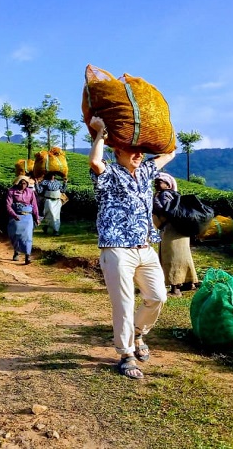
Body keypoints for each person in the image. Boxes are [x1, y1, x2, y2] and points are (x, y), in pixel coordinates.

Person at [88, 116, 176, 379]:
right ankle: (126, 353)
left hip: (145, 246)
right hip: (116, 248)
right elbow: (94, 162)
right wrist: (101, 132)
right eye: (132, 149)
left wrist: (159, 131)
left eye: (141, 150)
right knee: (124, 303)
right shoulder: (110, 174)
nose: (138, 154)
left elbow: (170, 153)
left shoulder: (147, 171)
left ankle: (138, 334)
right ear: (118, 152)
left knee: (157, 297)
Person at [153, 173, 198, 297]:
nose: (156, 184)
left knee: (171, 257)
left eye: (159, 182)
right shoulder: (176, 195)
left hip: (171, 231)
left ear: (168, 185)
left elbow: (165, 211)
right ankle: (189, 283)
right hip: (181, 230)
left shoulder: (164, 195)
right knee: (184, 256)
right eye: (155, 182)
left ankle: (175, 289)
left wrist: (154, 199)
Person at [6, 175, 41, 265]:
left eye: (25, 183)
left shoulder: (30, 192)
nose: (23, 185)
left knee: (28, 236)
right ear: (18, 183)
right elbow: (8, 205)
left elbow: (34, 205)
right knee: (16, 235)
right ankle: (16, 252)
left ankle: (27, 257)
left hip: (28, 217)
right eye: (21, 183)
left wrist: (36, 217)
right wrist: (14, 215)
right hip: (16, 216)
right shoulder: (11, 191)